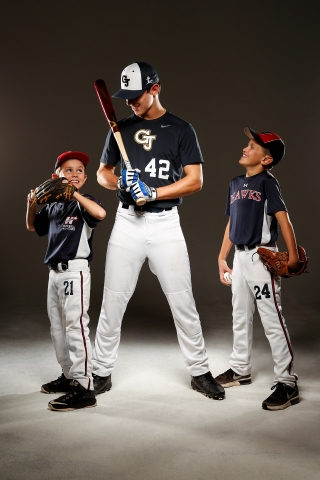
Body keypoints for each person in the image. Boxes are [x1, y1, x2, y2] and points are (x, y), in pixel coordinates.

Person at [92, 61, 225, 401]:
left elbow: (194, 181)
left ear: (155, 89)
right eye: (126, 97)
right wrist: (120, 180)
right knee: (113, 300)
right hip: (127, 223)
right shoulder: (118, 128)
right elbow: (102, 174)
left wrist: (154, 192)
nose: (130, 102)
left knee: (183, 301)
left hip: (165, 224)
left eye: (136, 95)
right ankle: (100, 372)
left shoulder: (181, 129)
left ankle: (199, 371)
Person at [215, 127, 300, 410]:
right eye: (247, 144)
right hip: (239, 259)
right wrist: (221, 257)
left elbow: (283, 219)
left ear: (266, 160)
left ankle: (287, 382)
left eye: (252, 147)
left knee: (271, 318)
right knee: (239, 315)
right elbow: (232, 224)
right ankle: (240, 369)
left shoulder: (267, 182)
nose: (245, 148)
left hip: (261, 257)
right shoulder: (235, 183)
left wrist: (292, 256)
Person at [26, 151, 106, 411]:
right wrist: (31, 203)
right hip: (54, 272)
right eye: (68, 170)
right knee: (57, 328)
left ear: (84, 178)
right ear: (55, 177)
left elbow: (101, 214)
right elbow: (32, 227)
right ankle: (69, 376)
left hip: (75, 270)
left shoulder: (84, 202)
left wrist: (76, 195)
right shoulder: (53, 206)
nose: (74, 174)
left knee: (75, 327)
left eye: (79, 170)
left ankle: (85, 387)